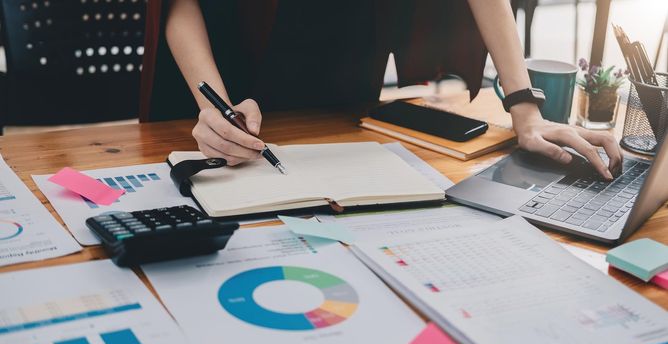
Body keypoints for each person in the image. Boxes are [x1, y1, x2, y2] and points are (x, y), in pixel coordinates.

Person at [165, 0, 622, 180]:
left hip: (344, 100)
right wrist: (214, 109)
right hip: (223, 86)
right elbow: (178, 4)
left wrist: (526, 109)